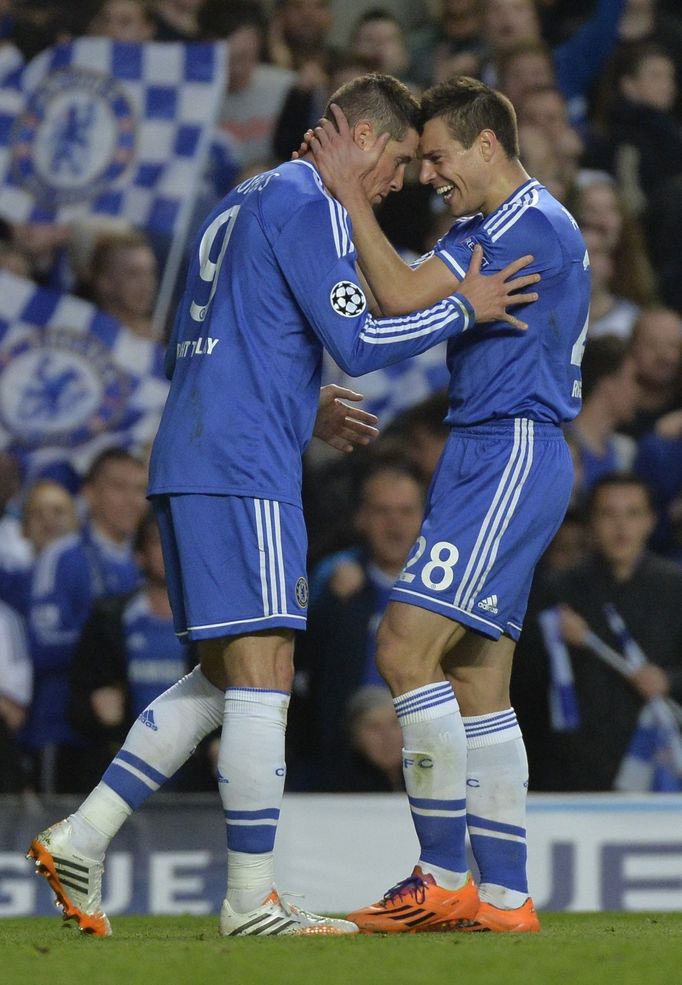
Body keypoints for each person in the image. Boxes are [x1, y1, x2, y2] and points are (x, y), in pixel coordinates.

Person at [27, 73, 539, 938]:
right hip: (243, 467)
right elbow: (363, 341)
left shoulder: (242, 199)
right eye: (402, 161)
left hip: (194, 451)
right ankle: (250, 901)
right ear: (365, 139)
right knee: (264, 673)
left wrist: (300, 400)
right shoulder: (312, 203)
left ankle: (84, 834)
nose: (400, 184)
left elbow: (221, 338)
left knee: (227, 671)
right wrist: (464, 304)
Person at [301, 74, 591, 932]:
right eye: (420, 158)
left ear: (488, 144)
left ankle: (437, 874)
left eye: (439, 156)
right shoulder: (479, 227)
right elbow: (406, 283)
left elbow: (396, 296)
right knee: (474, 679)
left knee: (400, 644)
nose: (428, 173)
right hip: (483, 450)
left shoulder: (531, 227)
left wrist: (353, 196)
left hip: (509, 449)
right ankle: (502, 896)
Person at [514, 473, 682, 792]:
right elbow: (524, 682)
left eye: (633, 514)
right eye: (609, 514)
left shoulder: (675, 587)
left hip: (658, 770)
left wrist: (668, 680)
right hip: (573, 771)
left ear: (650, 521)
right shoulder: (558, 589)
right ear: (591, 523)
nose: (621, 527)